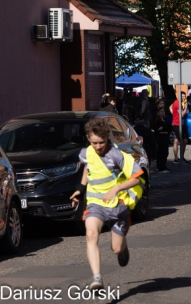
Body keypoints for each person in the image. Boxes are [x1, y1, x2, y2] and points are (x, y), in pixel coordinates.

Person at [69, 118, 144, 290]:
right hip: (96, 204)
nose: (98, 147)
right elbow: (88, 168)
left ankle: (123, 248)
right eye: (94, 142)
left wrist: (116, 188)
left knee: (116, 249)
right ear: (88, 138)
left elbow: (137, 180)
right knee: (91, 234)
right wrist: (80, 190)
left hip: (118, 206)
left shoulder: (117, 156)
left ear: (107, 138)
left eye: (101, 142)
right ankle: (97, 279)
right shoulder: (87, 152)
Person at [171, 92, 189, 163]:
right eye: (183, 96)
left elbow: (171, 107)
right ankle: (179, 157)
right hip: (177, 124)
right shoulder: (178, 103)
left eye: (185, 96)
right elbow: (182, 114)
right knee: (183, 141)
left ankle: (178, 157)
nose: (184, 98)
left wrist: (173, 113)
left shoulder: (177, 103)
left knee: (177, 141)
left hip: (179, 124)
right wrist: (186, 108)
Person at [153, 109, 171, 173]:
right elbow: (155, 130)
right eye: (161, 111)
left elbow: (169, 128)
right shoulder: (157, 121)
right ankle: (160, 167)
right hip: (160, 138)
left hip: (165, 138)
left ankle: (163, 165)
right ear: (158, 113)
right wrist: (159, 130)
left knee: (165, 152)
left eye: (164, 111)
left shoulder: (165, 120)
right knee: (161, 152)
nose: (163, 112)